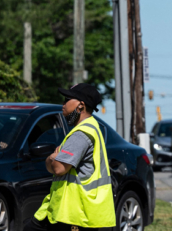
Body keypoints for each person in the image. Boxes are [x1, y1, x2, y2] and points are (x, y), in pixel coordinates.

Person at [31, 83, 116, 231]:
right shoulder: (88, 128)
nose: (63, 104)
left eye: (67, 100)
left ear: (80, 106)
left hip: (75, 214)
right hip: (70, 212)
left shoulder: (81, 134)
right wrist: (54, 158)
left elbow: (58, 168)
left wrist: (52, 158)